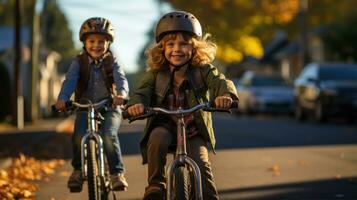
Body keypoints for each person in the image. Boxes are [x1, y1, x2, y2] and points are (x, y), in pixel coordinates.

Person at [126, 11, 239, 199]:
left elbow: (219, 80)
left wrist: (225, 94)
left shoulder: (202, 70)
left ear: (195, 48)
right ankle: (156, 184)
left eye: (184, 44)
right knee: (157, 138)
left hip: (194, 130)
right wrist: (136, 104)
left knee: (202, 166)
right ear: (162, 48)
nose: (176, 49)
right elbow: (141, 92)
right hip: (165, 126)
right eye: (170, 44)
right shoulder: (156, 73)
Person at [55, 17, 129, 192]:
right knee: (79, 135)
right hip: (84, 106)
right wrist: (63, 99)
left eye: (101, 41)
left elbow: (121, 80)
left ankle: (116, 173)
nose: (96, 45)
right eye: (92, 41)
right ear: (84, 42)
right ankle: (78, 171)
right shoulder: (78, 61)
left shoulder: (113, 61)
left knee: (109, 135)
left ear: (108, 43)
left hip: (110, 106)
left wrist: (121, 95)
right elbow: (70, 81)